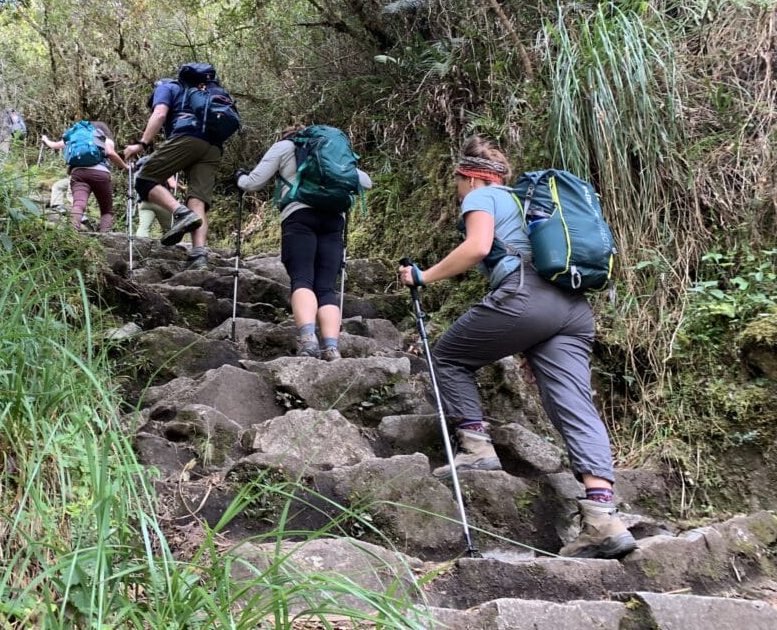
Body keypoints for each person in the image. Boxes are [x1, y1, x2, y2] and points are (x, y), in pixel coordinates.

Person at [396, 135, 636, 560]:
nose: (458, 191)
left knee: (447, 357)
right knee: (575, 405)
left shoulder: (481, 197)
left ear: (470, 177)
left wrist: (423, 276)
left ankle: (476, 448)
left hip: (526, 296)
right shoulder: (529, 204)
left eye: (458, 183)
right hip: (573, 309)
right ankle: (604, 518)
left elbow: (477, 247)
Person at [235, 124, 372, 361]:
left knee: (302, 279)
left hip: (299, 217)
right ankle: (331, 348)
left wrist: (239, 178)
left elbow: (252, 183)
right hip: (333, 221)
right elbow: (366, 181)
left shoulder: (284, 147)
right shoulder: (331, 152)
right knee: (326, 288)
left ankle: (308, 341)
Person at [123, 66, 227, 269]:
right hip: (214, 146)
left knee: (144, 178)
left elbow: (160, 114)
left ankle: (181, 213)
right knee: (197, 200)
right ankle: (198, 256)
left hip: (188, 136)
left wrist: (141, 144)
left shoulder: (166, 87)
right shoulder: (205, 91)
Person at [41, 121, 127, 232]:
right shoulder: (103, 136)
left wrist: (45, 140)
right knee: (106, 210)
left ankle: (72, 232)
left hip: (78, 173)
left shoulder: (76, 136)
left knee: (78, 205)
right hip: (100, 173)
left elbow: (54, 145)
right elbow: (111, 153)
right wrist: (126, 166)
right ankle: (104, 236)